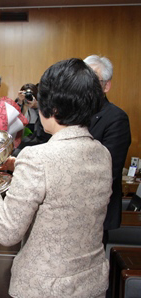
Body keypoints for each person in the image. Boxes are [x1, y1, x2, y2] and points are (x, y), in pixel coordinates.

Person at [0, 58, 113, 297]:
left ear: (54, 108)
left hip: (45, 288)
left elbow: (7, 232)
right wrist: (21, 166)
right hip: (91, 283)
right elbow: (66, 184)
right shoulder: (102, 153)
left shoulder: (38, 157)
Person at [84, 55, 131, 246]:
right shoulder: (73, 114)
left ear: (106, 86)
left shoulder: (116, 118)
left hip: (95, 212)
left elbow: (107, 170)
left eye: (93, 80)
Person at [13, 83, 51, 155]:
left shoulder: (41, 106)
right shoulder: (18, 104)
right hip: (20, 140)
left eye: (30, 94)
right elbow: (13, 120)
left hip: (36, 141)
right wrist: (20, 103)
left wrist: (37, 106)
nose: (27, 97)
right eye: (26, 94)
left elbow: (45, 124)